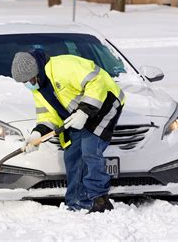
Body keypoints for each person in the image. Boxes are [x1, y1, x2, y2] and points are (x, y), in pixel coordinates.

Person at [11, 49, 125, 213]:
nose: (27, 85)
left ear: (35, 72)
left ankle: (100, 199)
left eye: (28, 80)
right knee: (72, 154)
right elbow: (47, 116)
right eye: (23, 83)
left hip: (106, 102)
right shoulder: (39, 89)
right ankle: (77, 201)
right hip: (78, 115)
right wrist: (37, 135)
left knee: (89, 150)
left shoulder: (64, 67)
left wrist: (84, 111)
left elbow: (96, 81)